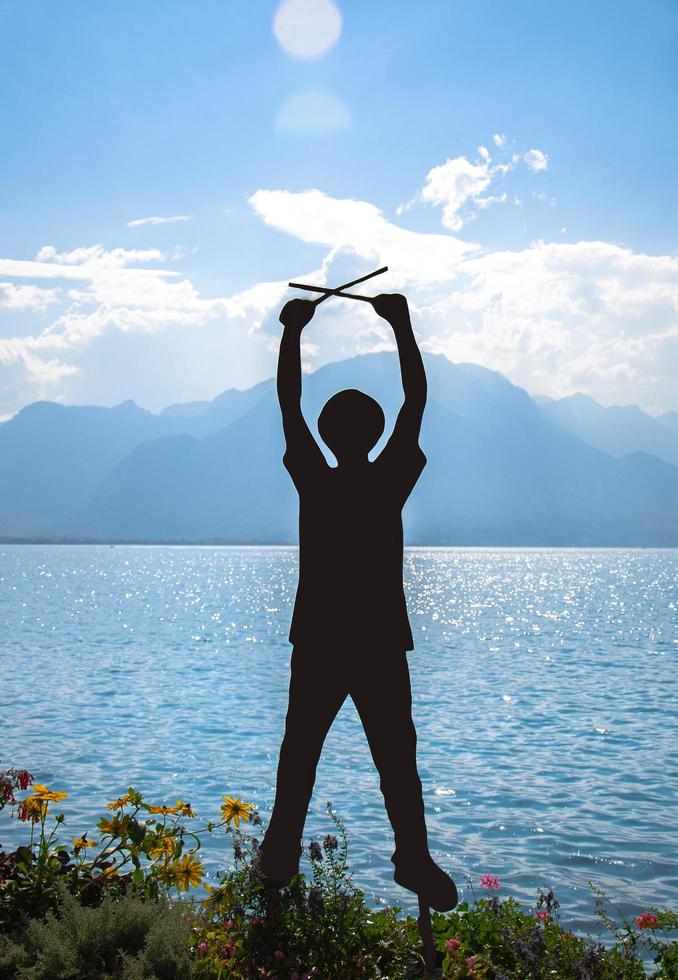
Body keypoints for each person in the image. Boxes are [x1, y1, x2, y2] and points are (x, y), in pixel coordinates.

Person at [259, 292, 458, 912]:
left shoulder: (315, 478)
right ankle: (411, 856)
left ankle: (283, 852)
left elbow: (287, 402)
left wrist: (293, 334)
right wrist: (401, 324)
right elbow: (416, 400)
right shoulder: (387, 477)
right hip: (373, 642)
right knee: (397, 759)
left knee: (301, 754)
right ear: (375, 433)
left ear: (325, 434)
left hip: (323, 638)